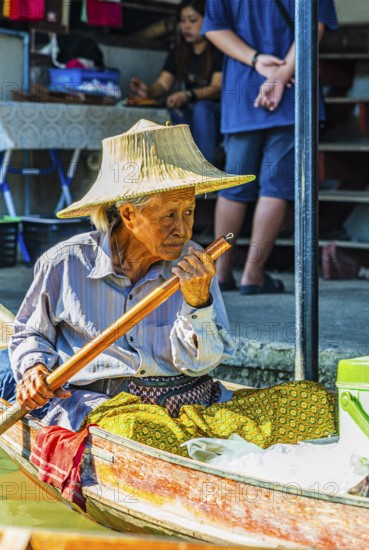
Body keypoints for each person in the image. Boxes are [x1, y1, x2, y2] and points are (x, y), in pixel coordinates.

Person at [1, 119, 254, 431]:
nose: (183, 229)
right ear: (129, 215)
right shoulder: (65, 263)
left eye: (188, 211)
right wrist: (34, 368)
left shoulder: (194, 265)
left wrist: (197, 304)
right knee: (142, 431)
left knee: (310, 401)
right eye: (169, 215)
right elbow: (31, 333)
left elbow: (202, 363)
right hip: (107, 409)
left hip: (189, 403)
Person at [202, 0, 338, 294]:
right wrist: (281, 74)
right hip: (292, 88)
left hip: (243, 89)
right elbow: (313, 27)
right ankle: (253, 273)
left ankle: (221, 274)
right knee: (276, 185)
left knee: (234, 185)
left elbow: (214, 28)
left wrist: (256, 60)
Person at [130, 0, 223, 165]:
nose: (186, 26)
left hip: (216, 113)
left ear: (208, 20)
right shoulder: (179, 51)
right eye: (183, 20)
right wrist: (148, 91)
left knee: (202, 108)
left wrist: (188, 95)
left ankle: (205, 169)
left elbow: (216, 88)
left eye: (192, 20)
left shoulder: (218, 50)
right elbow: (163, 85)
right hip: (189, 109)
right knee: (167, 111)